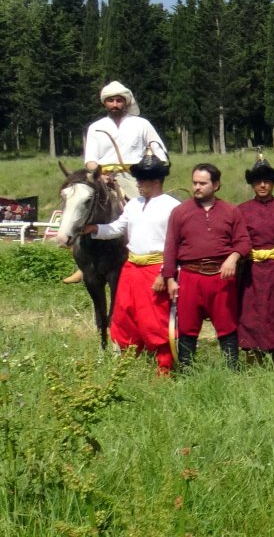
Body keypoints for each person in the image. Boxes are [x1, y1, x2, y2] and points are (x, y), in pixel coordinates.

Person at [85, 148, 180, 375]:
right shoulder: (134, 204)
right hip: (131, 268)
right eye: (137, 179)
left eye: (142, 180)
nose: (137, 183)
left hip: (156, 269)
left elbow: (176, 244)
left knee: (154, 319)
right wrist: (95, 229)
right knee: (125, 315)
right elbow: (118, 228)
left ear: (155, 181)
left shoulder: (173, 207)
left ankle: (164, 368)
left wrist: (165, 273)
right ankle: (129, 363)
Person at [67, 81, 169, 284]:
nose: (115, 104)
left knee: (143, 210)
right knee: (80, 205)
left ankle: (143, 254)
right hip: (101, 176)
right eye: (111, 100)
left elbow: (160, 151)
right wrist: (99, 174)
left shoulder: (142, 124)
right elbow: (90, 159)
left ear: (126, 102)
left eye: (119, 100)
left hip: (134, 176)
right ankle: (82, 262)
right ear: (105, 103)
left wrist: (148, 167)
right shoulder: (96, 127)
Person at [163, 164, 251, 370]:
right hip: (190, 276)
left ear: (216, 184)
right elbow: (171, 246)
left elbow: (244, 242)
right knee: (188, 326)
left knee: (227, 325)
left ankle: (231, 371)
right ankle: (186, 372)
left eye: (202, 183)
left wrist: (233, 258)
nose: (197, 187)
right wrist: (169, 278)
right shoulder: (180, 212)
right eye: (195, 183)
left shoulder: (231, 211)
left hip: (221, 277)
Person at [236, 155, 274, 368]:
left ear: (273, 183)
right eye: (258, 181)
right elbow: (238, 239)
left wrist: (272, 254)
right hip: (251, 270)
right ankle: (254, 361)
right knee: (252, 313)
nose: (262, 185)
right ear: (252, 184)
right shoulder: (241, 210)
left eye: (267, 181)